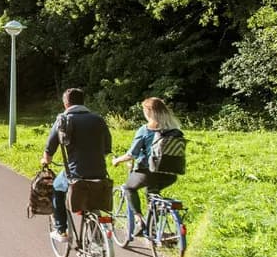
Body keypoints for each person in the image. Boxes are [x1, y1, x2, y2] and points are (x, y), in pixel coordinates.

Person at [41, 88, 112, 242]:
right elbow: (107, 149)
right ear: (83, 102)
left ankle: (61, 230)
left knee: (56, 188)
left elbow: (49, 148)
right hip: (100, 172)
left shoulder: (63, 120)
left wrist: (45, 160)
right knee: (93, 203)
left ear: (66, 104)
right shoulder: (98, 119)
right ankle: (97, 240)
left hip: (75, 173)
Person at [112, 97, 181, 235]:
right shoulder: (175, 129)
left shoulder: (146, 129)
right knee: (152, 194)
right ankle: (153, 228)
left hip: (149, 172)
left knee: (128, 188)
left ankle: (139, 220)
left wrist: (117, 160)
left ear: (149, 111)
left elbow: (131, 154)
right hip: (170, 174)